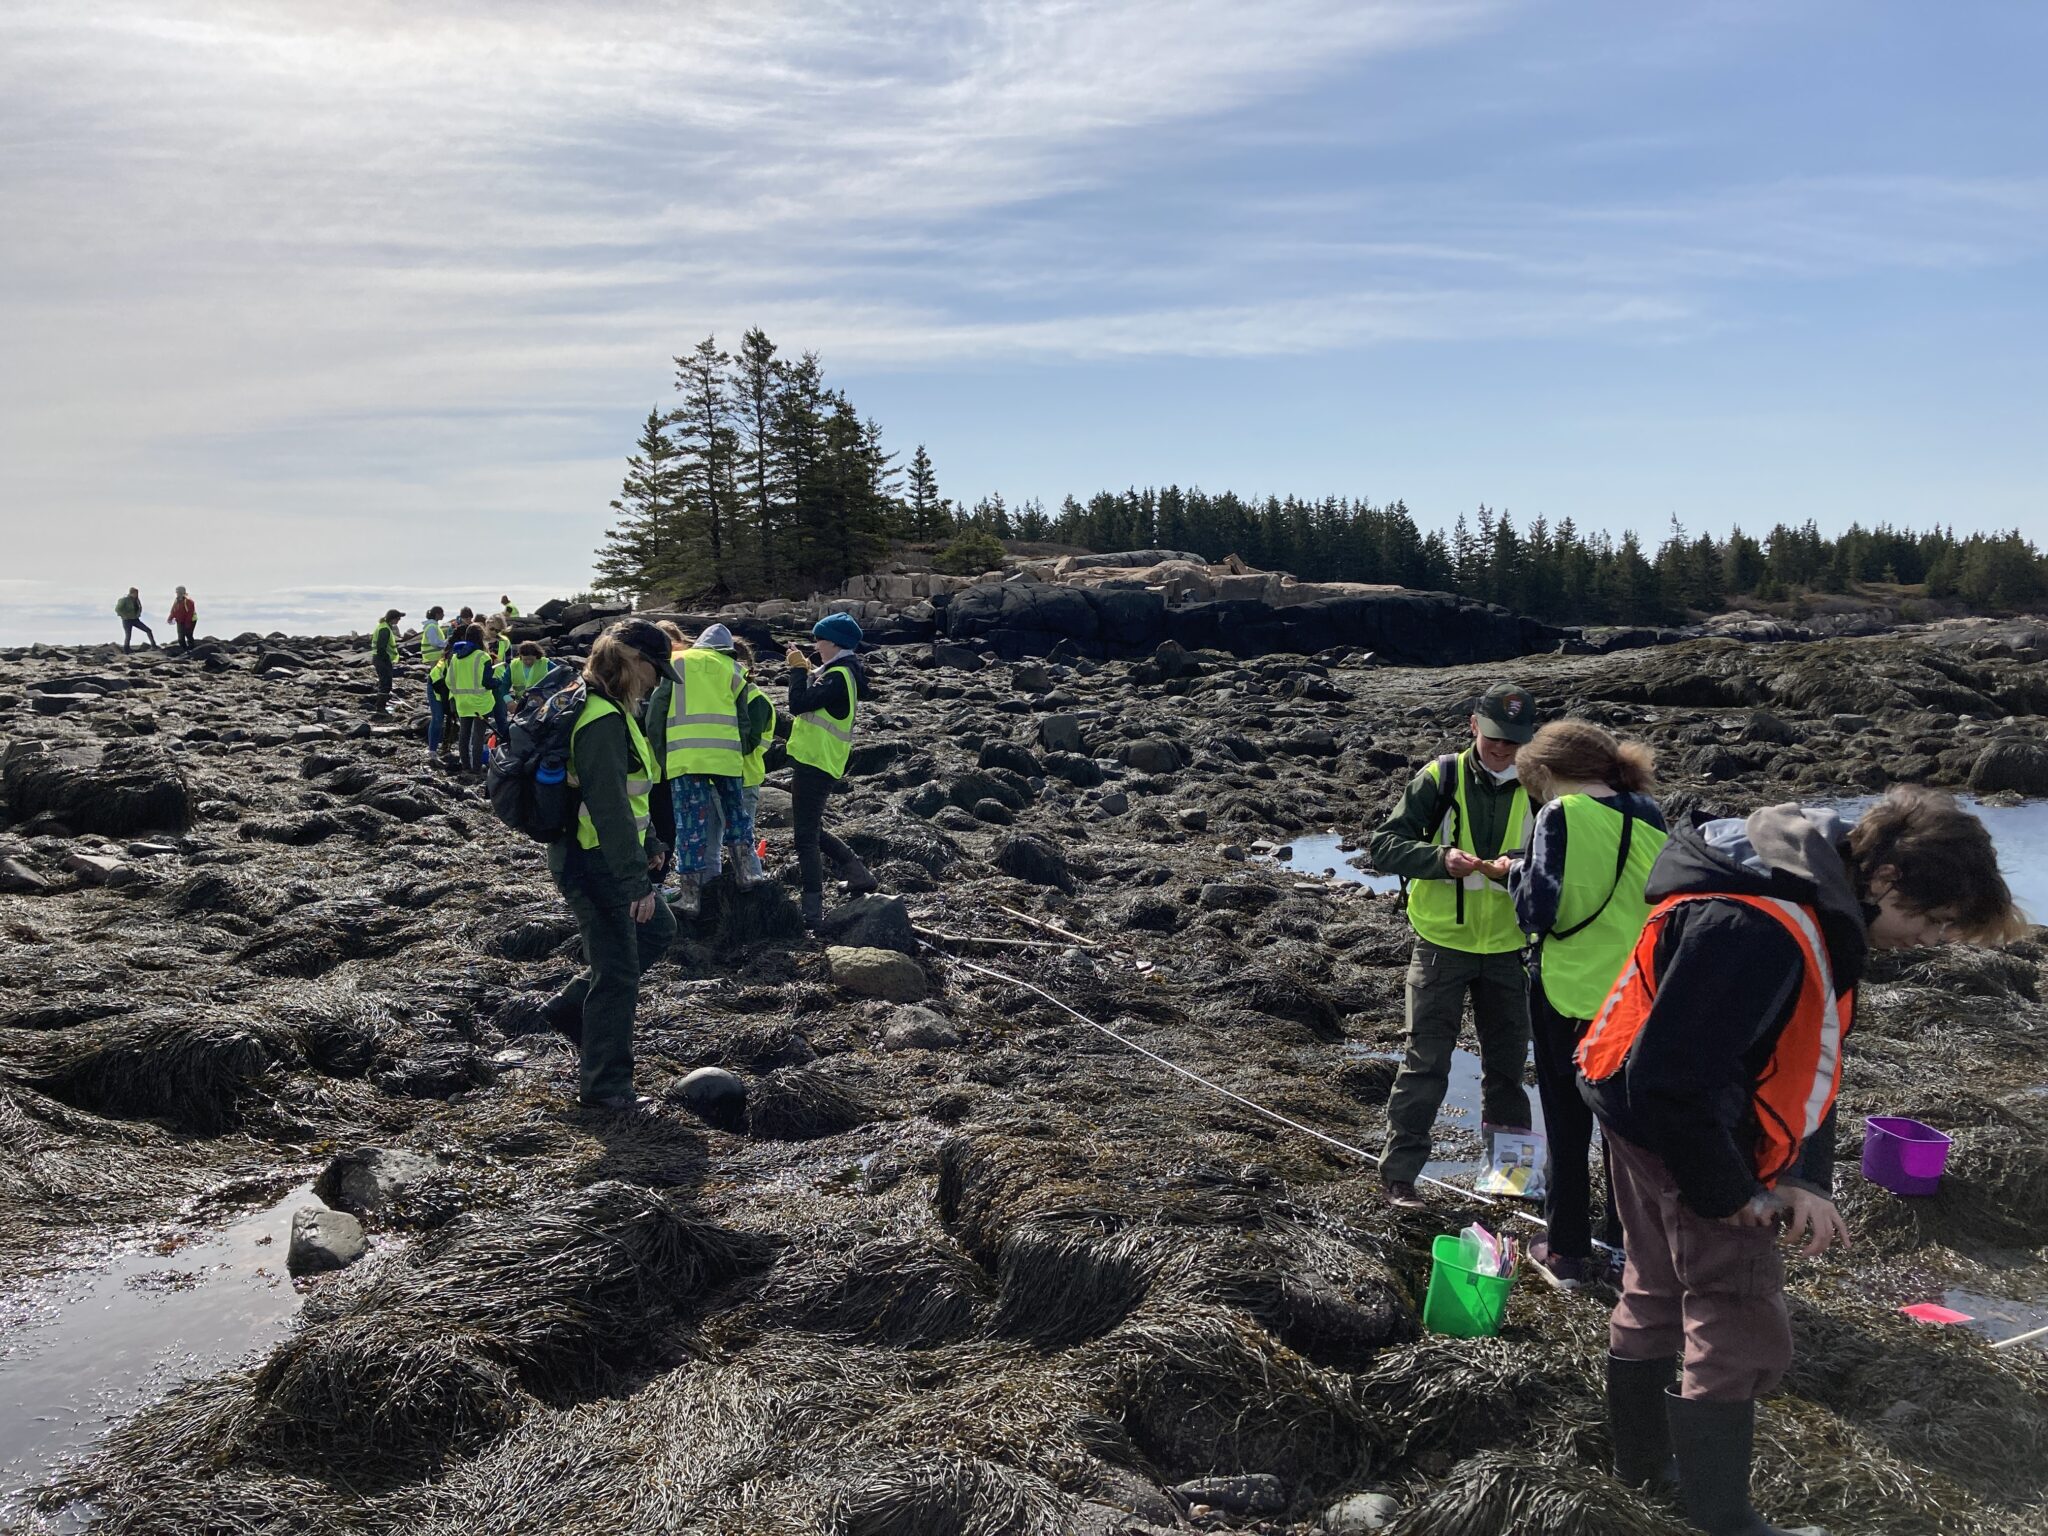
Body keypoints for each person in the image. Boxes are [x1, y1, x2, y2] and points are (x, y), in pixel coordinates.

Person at [1578, 787, 2020, 1535]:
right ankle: (1723, 1520)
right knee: (1739, 1315)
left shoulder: (1797, 888)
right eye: (1935, 920)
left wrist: (1804, 1174)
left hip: (1632, 1114)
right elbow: (1673, 1076)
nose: (1937, 940)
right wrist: (1730, 1194)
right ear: (1887, 879)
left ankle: (1646, 1473)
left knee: (1652, 1286)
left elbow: (1807, 1051)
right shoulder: (1761, 925)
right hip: (1685, 1135)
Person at [1507, 720, 1668, 1289]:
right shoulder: (1650, 813)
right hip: (1633, 995)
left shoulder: (1559, 815)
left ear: (1547, 773)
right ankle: (1626, 1248)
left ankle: (1568, 1253)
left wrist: (1513, 873)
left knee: (1567, 1122)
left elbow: (1537, 909)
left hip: (1567, 988)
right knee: (1622, 1128)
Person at [1366, 681, 1538, 1210]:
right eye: (1493, 739)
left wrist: (1521, 864)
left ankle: (1509, 1181)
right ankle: (1400, 1178)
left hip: (1511, 951)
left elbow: (1561, 864)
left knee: (1509, 1072)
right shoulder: (1439, 777)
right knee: (1425, 1064)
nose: (1503, 750)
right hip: (1440, 946)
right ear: (1473, 725)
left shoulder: (1544, 788)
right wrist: (1439, 861)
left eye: (1513, 742)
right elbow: (1385, 846)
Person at [542, 620, 678, 1111]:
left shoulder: (616, 713)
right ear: (628, 661)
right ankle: (605, 1088)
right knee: (619, 974)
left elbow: (631, 795)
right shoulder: (599, 719)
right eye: (653, 668)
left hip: (607, 854)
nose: (658, 680)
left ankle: (570, 1008)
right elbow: (607, 808)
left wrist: (654, 840)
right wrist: (635, 881)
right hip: (592, 861)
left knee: (658, 931)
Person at [647, 622, 751, 916]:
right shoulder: (735, 671)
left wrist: (663, 755)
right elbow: (744, 721)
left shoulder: (678, 663)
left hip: (686, 759)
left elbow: (656, 713)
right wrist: (737, 753)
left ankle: (690, 898)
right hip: (727, 758)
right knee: (736, 815)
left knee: (689, 826)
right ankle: (747, 875)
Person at [785, 613, 881, 930]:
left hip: (818, 762)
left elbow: (798, 703)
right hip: (819, 761)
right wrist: (807, 669)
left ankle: (812, 912)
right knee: (810, 829)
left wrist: (798, 671)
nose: (815, 645)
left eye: (819, 639)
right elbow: (821, 695)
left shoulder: (839, 675)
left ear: (834, 642)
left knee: (805, 839)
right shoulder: (841, 672)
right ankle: (857, 873)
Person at [730, 636, 774, 885]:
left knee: (743, 838)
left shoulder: (756, 700)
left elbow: (748, 743)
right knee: (715, 840)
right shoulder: (725, 699)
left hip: (745, 780)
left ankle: (755, 882)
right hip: (722, 778)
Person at [430, 623, 496, 773]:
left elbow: (448, 681)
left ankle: (466, 766)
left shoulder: (455, 657)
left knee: (464, 735)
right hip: (480, 703)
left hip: (462, 702)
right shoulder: (483, 656)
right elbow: (487, 682)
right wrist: (497, 683)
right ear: (481, 637)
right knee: (478, 737)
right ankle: (477, 768)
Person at [420, 606, 450, 765]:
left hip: (436, 661)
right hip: (435, 660)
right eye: (442, 613)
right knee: (438, 716)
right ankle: (434, 748)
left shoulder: (432, 626)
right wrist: (445, 643)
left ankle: (442, 745)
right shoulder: (432, 627)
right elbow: (435, 642)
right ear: (437, 614)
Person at [483, 616, 514, 741]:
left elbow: (509, 662)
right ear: (486, 625)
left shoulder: (504, 641)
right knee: (482, 715)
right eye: (492, 629)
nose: (494, 632)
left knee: (501, 715)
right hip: (482, 682)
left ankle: (504, 742)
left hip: (498, 680)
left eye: (498, 630)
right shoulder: (479, 641)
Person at [371, 608, 404, 713]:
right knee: (386, 683)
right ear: (393, 619)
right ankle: (380, 707)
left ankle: (381, 706)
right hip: (382, 659)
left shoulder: (384, 627)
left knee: (384, 682)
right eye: (398, 618)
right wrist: (386, 659)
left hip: (380, 659)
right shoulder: (384, 629)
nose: (399, 620)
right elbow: (381, 647)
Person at [168, 587, 198, 653]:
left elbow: (190, 613)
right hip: (180, 620)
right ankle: (185, 650)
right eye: (177, 592)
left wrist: (187, 624)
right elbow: (174, 610)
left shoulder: (189, 601)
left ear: (183, 592)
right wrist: (170, 618)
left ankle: (192, 649)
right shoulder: (177, 600)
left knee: (188, 635)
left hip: (191, 621)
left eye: (179, 592)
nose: (178, 594)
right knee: (180, 638)